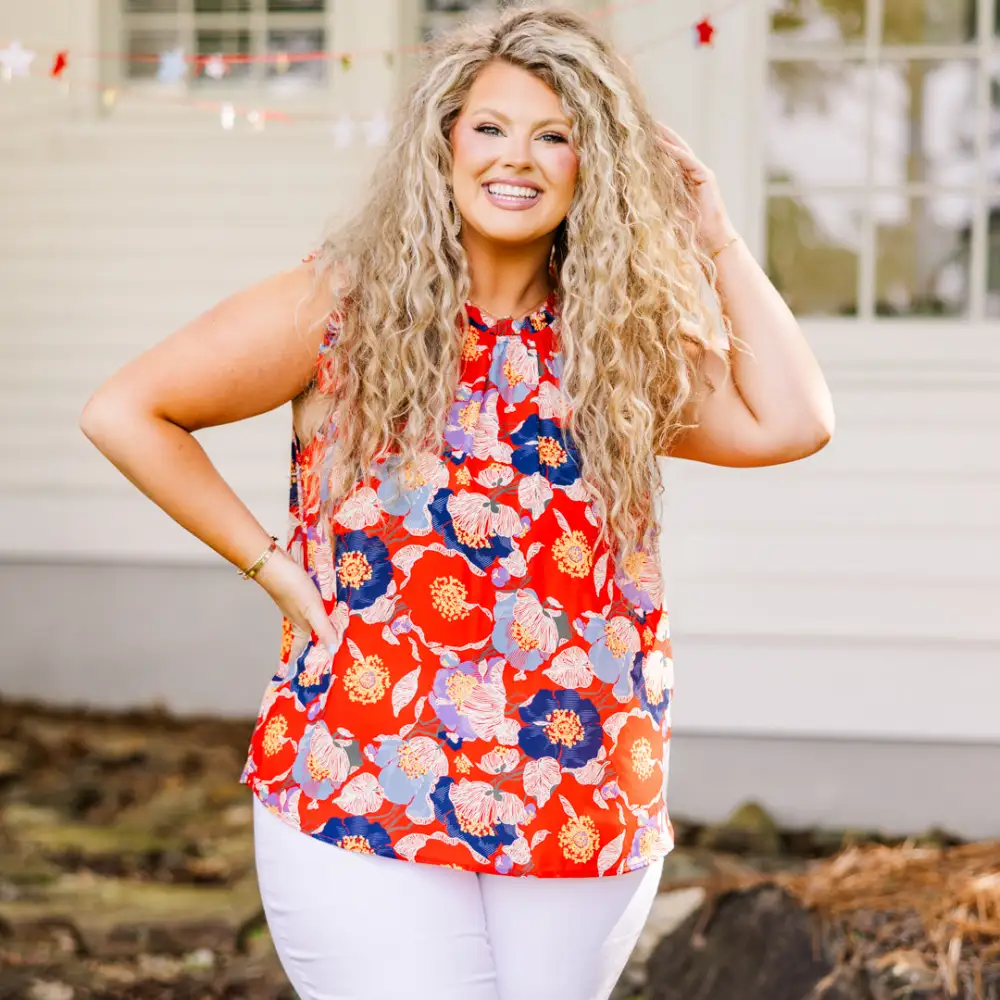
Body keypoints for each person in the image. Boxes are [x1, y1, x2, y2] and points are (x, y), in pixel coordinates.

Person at [80, 4, 834, 998]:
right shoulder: (338, 308)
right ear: (444, 146)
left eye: (553, 134)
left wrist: (719, 239)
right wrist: (271, 566)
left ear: (590, 166)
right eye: (490, 127)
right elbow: (127, 409)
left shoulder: (616, 343)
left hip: (582, 788)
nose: (516, 157)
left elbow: (792, 422)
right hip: (363, 776)